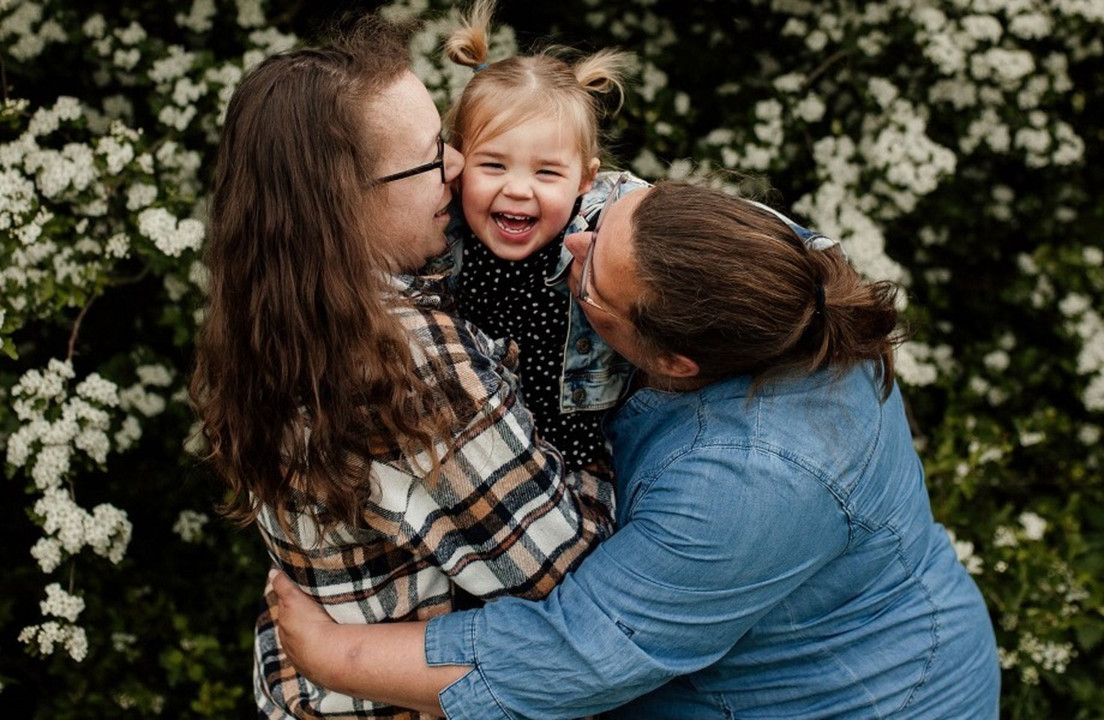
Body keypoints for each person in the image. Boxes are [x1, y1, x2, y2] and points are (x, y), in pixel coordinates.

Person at [269, 177, 1003, 718]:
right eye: (605, 217)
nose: (575, 245)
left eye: (589, 280)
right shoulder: (758, 255)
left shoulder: (753, 479)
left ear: (675, 362)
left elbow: (576, 654)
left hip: (858, 697)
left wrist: (336, 658)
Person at [189, 16, 616, 720]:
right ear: (345, 203)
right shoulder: (407, 355)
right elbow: (573, 579)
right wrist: (609, 441)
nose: (458, 165)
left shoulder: (278, 314)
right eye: (430, 157)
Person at [443, 0, 640, 470]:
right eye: (492, 165)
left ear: (584, 179)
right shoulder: (438, 234)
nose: (517, 188)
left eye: (547, 172)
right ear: (457, 162)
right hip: (482, 460)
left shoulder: (599, 227)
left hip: (584, 461)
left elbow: (681, 223)